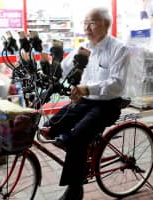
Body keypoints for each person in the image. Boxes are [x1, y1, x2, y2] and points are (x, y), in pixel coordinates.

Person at [44, 7, 130, 200]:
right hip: (84, 101)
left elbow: (117, 84)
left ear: (105, 25)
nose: (86, 27)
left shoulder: (119, 49)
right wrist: (51, 72)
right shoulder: (83, 47)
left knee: (77, 138)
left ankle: (75, 188)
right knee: (49, 128)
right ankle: (81, 154)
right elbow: (65, 69)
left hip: (107, 104)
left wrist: (86, 88)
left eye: (91, 22)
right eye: (84, 23)